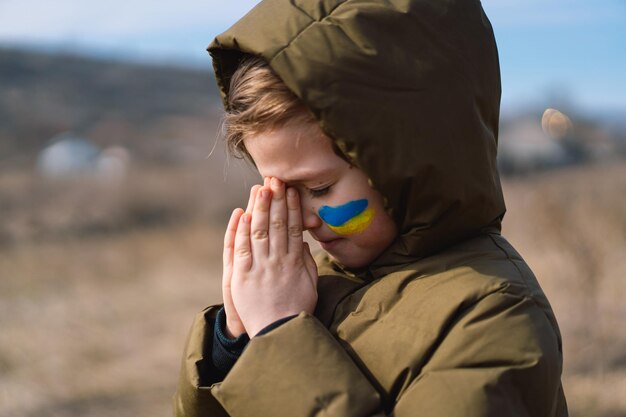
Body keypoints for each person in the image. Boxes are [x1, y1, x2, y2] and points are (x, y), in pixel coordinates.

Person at [173, 0, 568, 416]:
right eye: (280, 188)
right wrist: (234, 344)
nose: (304, 220)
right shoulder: (312, 282)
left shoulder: (495, 314)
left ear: (407, 164)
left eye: (320, 188)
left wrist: (278, 335)